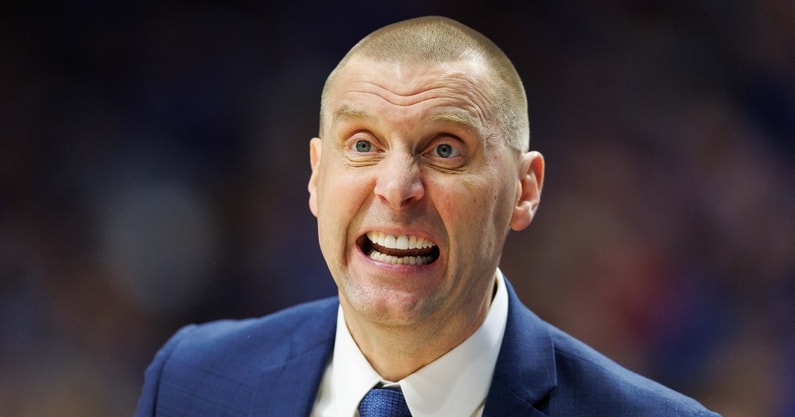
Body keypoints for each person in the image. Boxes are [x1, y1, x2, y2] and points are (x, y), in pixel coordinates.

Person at [134, 16, 720, 417]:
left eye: (445, 149)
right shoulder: (191, 380)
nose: (396, 189)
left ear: (524, 190)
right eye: (362, 145)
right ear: (316, 176)